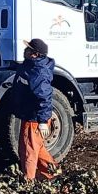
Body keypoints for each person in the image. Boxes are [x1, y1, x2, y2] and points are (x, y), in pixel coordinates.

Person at [11, 38, 58, 181]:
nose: (25, 50)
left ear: (35, 54)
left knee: (28, 150)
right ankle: (53, 173)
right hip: (29, 115)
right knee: (37, 147)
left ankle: (28, 180)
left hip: (34, 118)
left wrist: (43, 121)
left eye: (28, 49)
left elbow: (44, 97)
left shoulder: (39, 72)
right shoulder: (31, 65)